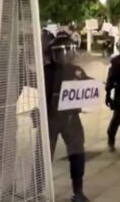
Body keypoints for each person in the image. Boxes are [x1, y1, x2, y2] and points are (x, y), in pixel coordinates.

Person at [44, 36, 89, 202]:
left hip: (71, 118)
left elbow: (86, 88)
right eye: (62, 52)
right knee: (43, 154)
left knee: (77, 153)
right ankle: (37, 188)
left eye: (68, 51)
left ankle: (78, 191)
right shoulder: (46, 72)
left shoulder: (76, 70)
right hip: (51, 118)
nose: (66, 55)